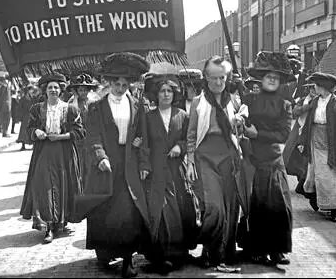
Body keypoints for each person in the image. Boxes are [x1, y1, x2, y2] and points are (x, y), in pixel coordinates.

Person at [77, 52, 151, 279]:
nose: (120, 88)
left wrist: (143, 159)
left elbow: (143, 135)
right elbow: (93, 136)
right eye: (116, 83)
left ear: (129, 84)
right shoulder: (97, 108)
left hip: (129, 162)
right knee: (105, 209)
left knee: (129, 211)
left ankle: (128, 259)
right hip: (106, 163)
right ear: (109, 83)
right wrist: (100, 157)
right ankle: (105, 250)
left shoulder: (138, 106)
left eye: (124, 84)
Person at [185, 55, 243, 272]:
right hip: (205, 159)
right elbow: (191, 135)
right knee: (214, 207)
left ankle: (222, 253)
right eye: (214, 78)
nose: (218, 83)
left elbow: (240, 131)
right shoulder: (199, 103)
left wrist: (239, 122)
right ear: (206, 79)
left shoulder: (233, 101)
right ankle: (209, 248)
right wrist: (190, 162)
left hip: (228, 158)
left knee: (230, 207)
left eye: (222, 78)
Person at [20, 73, 84, 244]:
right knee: (44, 186)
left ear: (61, 90)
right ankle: (48, 226)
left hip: (64, 152)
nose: (53, 90)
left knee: (63, 186)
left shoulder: (70, 109)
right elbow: (29, 128)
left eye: (56, 87)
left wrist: (62, 137)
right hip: (44, 151)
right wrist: (36, 132)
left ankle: (60, 222)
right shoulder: (37, 109)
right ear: (45, 90)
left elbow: (79, 132)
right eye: (50, 88)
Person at [242, 51, 294, 266]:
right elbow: (241, 123)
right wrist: (244, 125)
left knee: (279, 205)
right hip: (253, 159)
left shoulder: (285, 105)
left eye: (276, 77)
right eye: (268, 76)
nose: (272, 80)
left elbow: (283, 134)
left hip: (273, 159)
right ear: (261, 79)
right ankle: (257, 249)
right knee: (258, 206)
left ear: (280, 81)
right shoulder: (249, 100)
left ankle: (278, 250)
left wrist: (258, 134)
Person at [142, 75, 195, 274]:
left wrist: (180, 148)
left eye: (169, 91)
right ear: (156, 95)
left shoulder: (182, 115)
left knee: (179, 210)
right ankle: (160, 256)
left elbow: (188, 138)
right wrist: (145, 166)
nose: (166, 94)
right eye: (162, 91)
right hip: (156, 170)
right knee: (160, 211)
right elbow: (144, 144)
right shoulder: (148, 117)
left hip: (176, 171)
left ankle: (178, 254)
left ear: (174, 94)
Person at [297, 72, 336, 223]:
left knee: (331, 177)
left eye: (316, 85)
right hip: (315, 141)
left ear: (323, 87)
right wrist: (302, 142)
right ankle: (316, 199)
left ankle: (334, 209)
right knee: (317, 174)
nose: (314, 88)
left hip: (333, 144)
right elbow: (308, 124)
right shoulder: (314, 102)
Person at [284, 82, 317, 194]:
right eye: (311, 88)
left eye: (315, 88)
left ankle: (304, 180)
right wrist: (307, 107)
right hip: (299, 128)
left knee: (308, 156)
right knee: (294, 153)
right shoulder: (303, 100)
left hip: (312, 130)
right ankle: (300, 176)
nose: (313, 90)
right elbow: (294, 113)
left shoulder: (321, 101)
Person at [67, 73, 100, 187]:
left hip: (91, 137)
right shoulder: (72, 103)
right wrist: (75, 97)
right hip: (78, 139)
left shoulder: (94, 102)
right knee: (79, 165)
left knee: (91, 164)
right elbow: (72, 116)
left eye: (85, 90)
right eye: (80, 90)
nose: (83, 93)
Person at [17, 85, 37, 151]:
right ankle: (23, 145)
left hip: (32, 116)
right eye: (31, 90)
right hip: (25, 116)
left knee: (32, 130)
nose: (32, 91)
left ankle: (33, 145)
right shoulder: (23, 99)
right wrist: (20, 117)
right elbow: (20, 108)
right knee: (24, 130)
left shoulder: (34, 98)